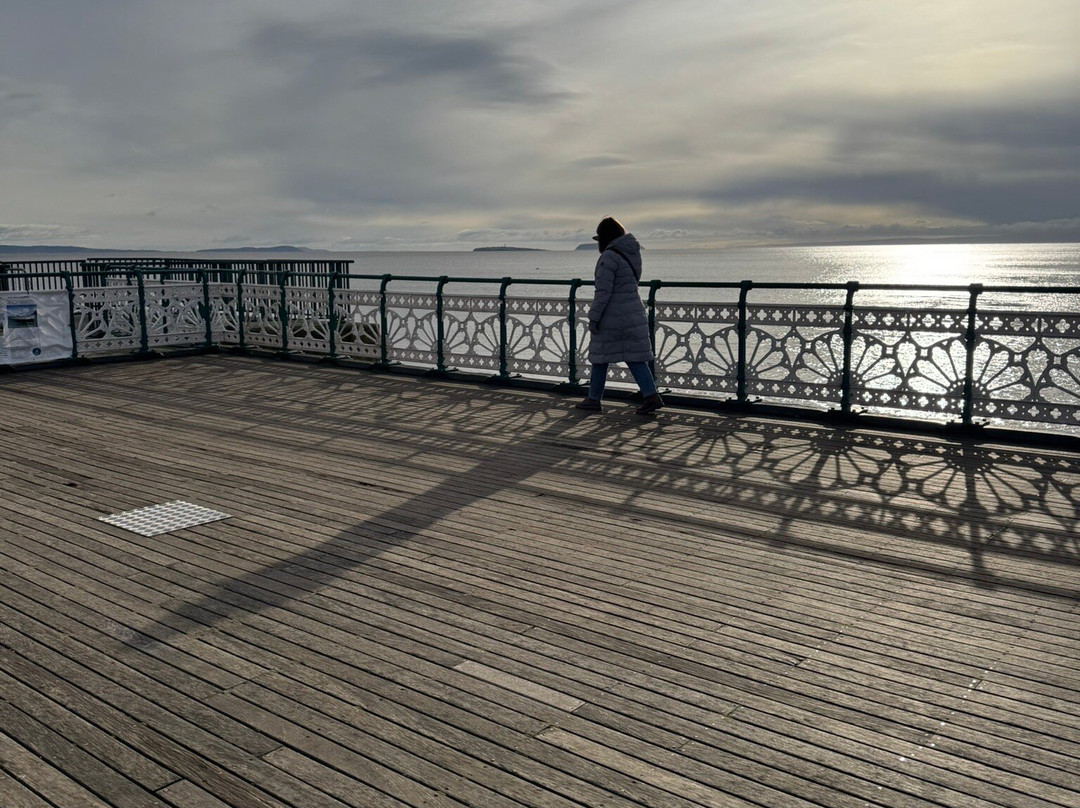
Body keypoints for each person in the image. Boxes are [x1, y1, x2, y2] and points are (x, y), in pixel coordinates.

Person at [575, 217, 664, 415]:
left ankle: (593, 399)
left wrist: (594, 317)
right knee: (635, 358)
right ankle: (651, 395)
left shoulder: (608, 257)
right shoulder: (632, 254)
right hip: (633, 312)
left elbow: (603, 292)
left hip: (613, 317)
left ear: (604, 238)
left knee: (600, 358)